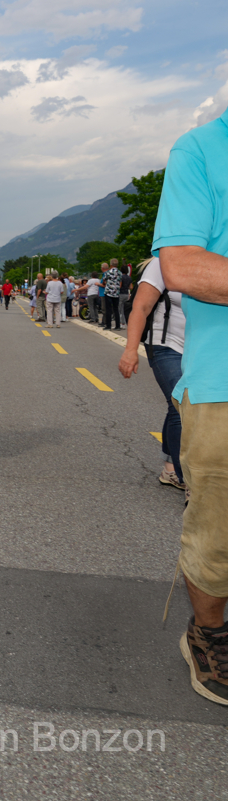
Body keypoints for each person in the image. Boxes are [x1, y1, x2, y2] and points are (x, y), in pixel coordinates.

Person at [155, 107, 228, 705]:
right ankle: (208, 633)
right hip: (222, 382)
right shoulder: (201, 149)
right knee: (218, 532)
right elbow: (180, 265)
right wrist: (132, 344)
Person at [118, 256, 186, 491]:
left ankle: (169, 467)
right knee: (182, 403)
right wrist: (130, 350)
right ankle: (187, 478)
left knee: (175, 405)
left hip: (200, 348)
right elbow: (141, 306)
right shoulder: (163, 262)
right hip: (164, 343)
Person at [102, 258, 124, 330]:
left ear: (111, 264)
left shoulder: (108, 272)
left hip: (108, 292)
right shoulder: (120, 272)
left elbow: (104, 280)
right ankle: (117, 326)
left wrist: (106, 283)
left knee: (108, 309)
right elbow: (121, 282)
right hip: (116, 292)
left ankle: (108, 325)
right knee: (116, 309)